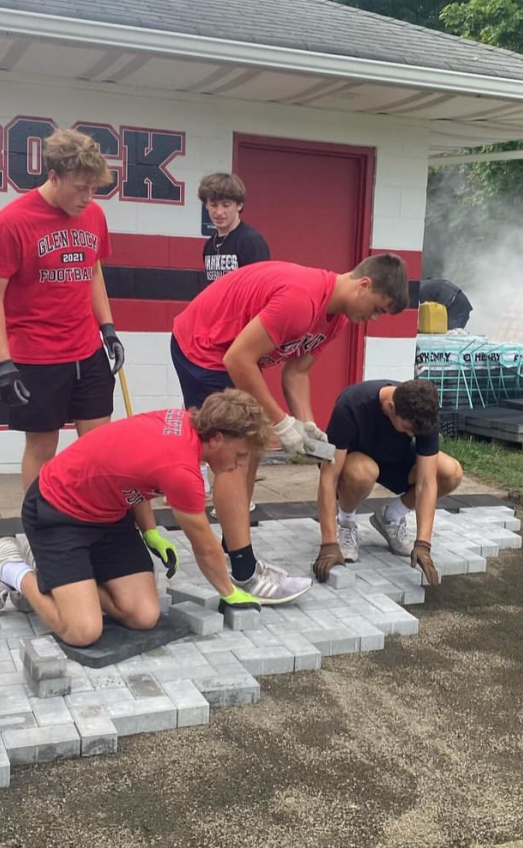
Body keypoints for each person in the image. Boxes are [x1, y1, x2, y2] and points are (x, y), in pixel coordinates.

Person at [170, 254, 410, 604]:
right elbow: (237, 359)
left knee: (249, 446)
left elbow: (296, 373)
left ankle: (234, 544)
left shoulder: (335, 320)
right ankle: (243, 570)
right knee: (233, 455)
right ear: (364, 285)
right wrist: (282, 423)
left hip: (230, 350)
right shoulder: (302, 299)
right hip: (203, 347)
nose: (373, 318)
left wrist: (306, 424)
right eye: (377, 308)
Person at [0, 390, 267, 647]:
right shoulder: (184, 470)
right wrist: (229, 592)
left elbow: (137, 474)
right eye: (240, 454)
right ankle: (10, 569)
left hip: (108, 515)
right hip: (57, 510)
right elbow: (205, 548)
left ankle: (59, 575)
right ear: (216, 439)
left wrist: (150, 530)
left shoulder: (183, 422)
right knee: (82, 631)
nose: (241, 463)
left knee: (143, 615)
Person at [0, 128, 125, 492]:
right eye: (80, 188)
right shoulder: (12, 222)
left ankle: (95, 522)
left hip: (87, 351)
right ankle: (39, 528)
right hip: (37, 357)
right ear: (54, 176)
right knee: (43, 448)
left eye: (94, 189)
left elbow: (92, 272)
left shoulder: (94, 216)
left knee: (99, 446)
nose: (88, 198)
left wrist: (107, 328)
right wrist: (3, 365)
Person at [311, 379, 464, 586]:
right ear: (391, 407)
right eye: (408, 429)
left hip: (394, 460)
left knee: (450, 472)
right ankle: (346, 522)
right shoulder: (351, 405)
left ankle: (390, 517)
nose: (411, 435)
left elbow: (427, 482)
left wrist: (423, 544)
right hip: (356, 464)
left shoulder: (423, 412)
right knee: (363, 472)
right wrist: (328, 544)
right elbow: (328, 477)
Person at [200, 172, 270, 284]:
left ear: (239, 205)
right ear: (206, 205)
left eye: (226, 205)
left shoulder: (251, 241)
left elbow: (260, 287)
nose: (219, 212)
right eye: (213, 205)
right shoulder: (209, 244)